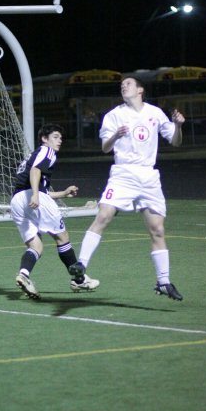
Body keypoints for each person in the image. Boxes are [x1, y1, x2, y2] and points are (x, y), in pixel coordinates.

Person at [69, 76, 185, 301]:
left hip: (149, 177)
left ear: (140, 89)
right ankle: (81, 264)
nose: (124, 86)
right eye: (122, 85)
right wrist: (116, 135)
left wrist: (179, 125)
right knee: (104, 215)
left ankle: (163, 282)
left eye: (129, 84)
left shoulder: (155, 113)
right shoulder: (114, 115)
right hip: (123, 174)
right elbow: (104, 148)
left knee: (157, 230)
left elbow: (175, 141)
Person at [11, 123, 99, 299]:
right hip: (31, 196)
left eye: (61, 138)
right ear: (44, 139)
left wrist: (63, 193)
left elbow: (40, 189)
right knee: (62, 237)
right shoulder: (47, 151)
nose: (60, 141)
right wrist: (35, 194)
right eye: (56, 137)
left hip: (16, 201)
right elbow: (35, 172)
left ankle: (24, 275)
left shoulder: (32, 156)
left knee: (36, 246)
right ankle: (79, 279)